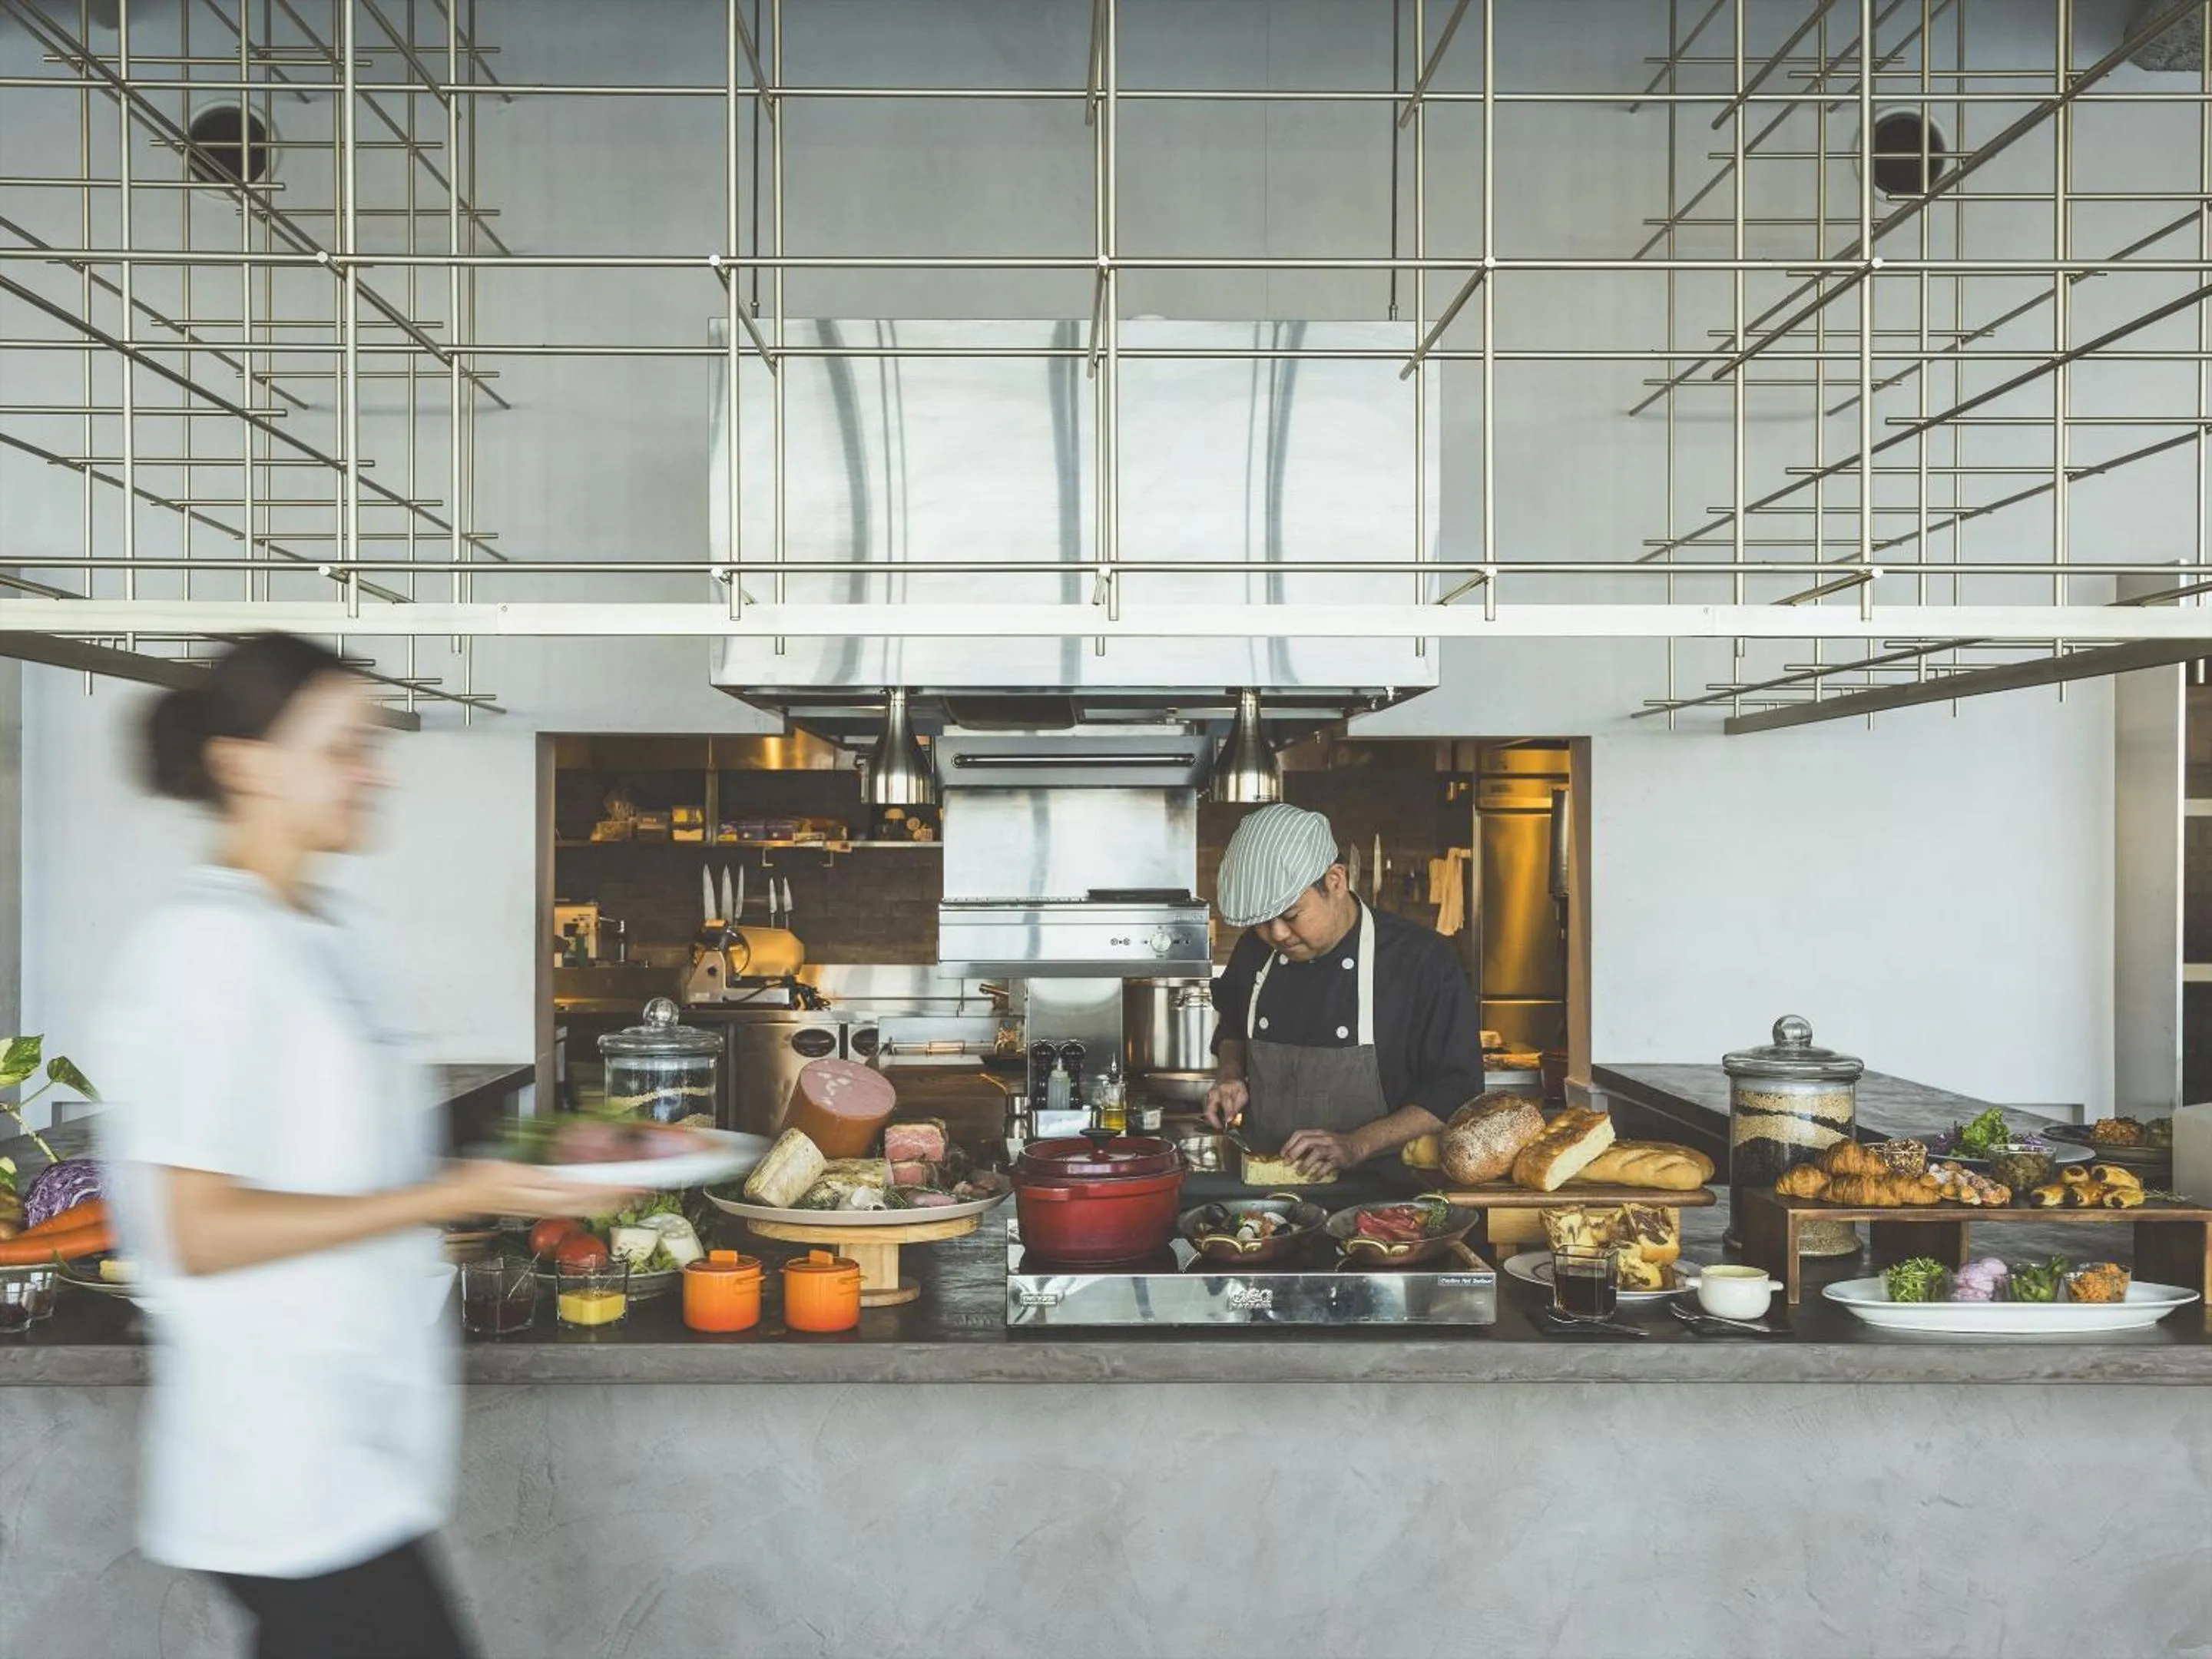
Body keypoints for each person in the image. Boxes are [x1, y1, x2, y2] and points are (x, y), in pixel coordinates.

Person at [96, 634, 587, 1659]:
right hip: (278, 1463)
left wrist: (511, 1174)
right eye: (344, 747)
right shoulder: (203, 949)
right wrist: (449, 1193)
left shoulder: (331, 930)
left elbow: (342, 1160)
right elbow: (199, 1229)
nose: (375, 771)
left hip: (357, 1449)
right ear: (244, 764)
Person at [1203, 802, 1483, 1176]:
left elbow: (1456, 1089)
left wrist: (1357, 1144)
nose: (1278, 934)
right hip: (1266, 1187)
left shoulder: (1421, 960)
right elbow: (1233, 1028)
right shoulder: (1255, 951)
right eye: (1262, 923)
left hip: (1385, 1191)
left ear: (1335, 881)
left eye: (1290, 915)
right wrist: (1230, 1075)